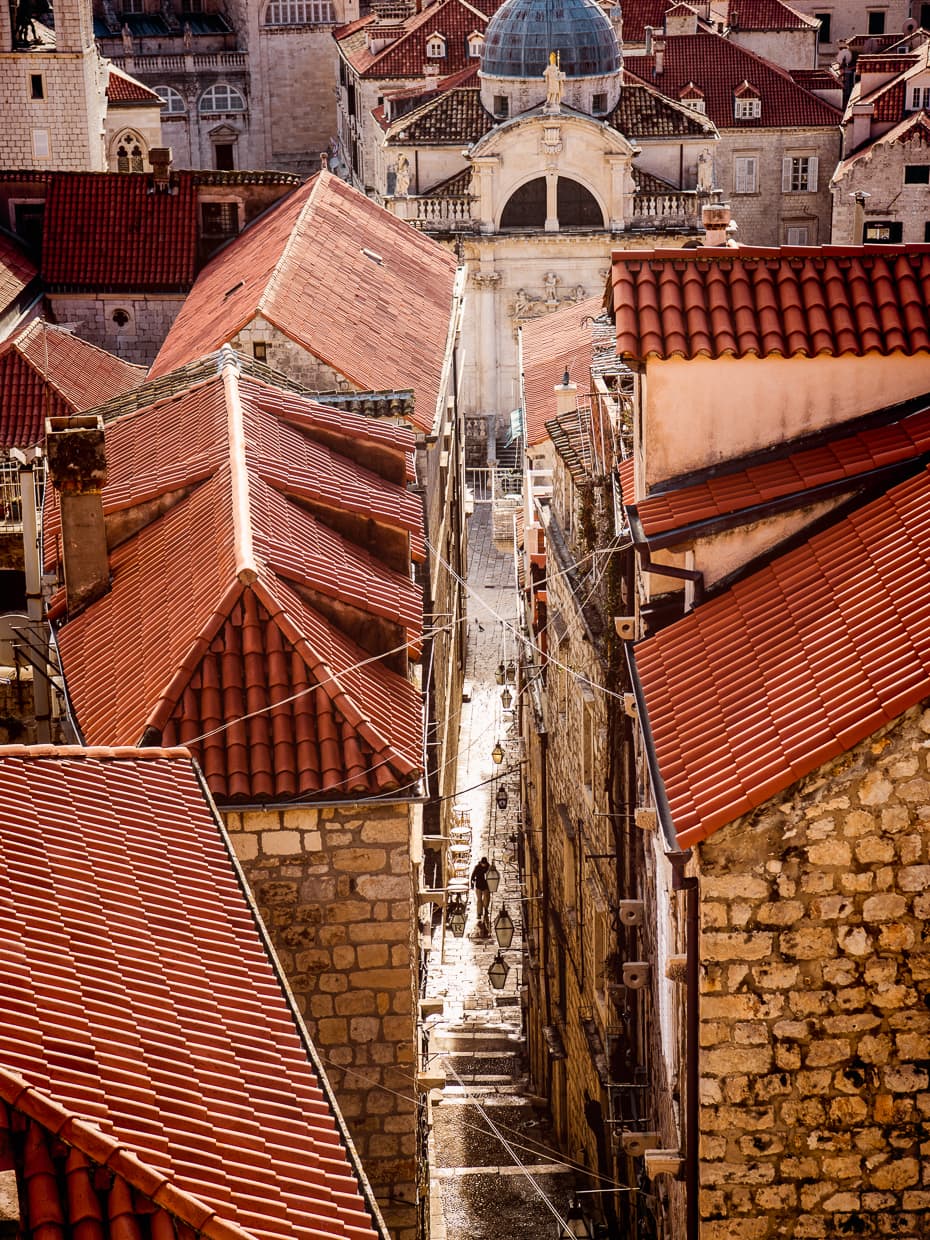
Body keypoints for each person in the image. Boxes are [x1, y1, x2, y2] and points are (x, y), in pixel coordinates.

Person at [470, 856, 491, 922]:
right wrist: (472, 883)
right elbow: (473, 876)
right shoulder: (477, 867)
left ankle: (486, 909)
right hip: (478, 885)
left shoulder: (488, 867)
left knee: (486, 899)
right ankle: (479, 913)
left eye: (484, 864)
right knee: (479, 900)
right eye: (483, 863)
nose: (483, 865)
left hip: (486, 886)